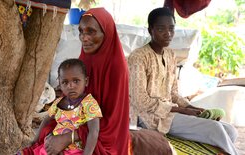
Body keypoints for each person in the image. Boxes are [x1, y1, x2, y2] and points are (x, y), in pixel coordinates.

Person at [24, 7, 173, 155]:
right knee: (45, 137)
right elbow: (73, 101)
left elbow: (111, 121)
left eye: (91, 31)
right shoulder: (84, 59)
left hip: (102, 132)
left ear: (106, 33)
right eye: (81, 31)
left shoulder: (116, 67)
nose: (84, 37)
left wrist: (68, 137)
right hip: (79, 122)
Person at [128, 7, 238, 155]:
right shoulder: (138, 57)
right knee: (216, 130)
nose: (168, 34)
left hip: (170, 112)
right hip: (149, 116)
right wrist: (181, 110)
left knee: (231, 131)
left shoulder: (170, 55)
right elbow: (140, 100)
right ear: (150, 30)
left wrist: (192, 108)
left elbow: (173, 93)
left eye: (171, 29)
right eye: (161, 29)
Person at [30, 58, 102, 155]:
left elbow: (94, 131)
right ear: (59, 84)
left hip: (75, 151)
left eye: (76, 81)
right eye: (65, 82)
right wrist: (35, 141)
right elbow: (46, 120)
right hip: (52, 148)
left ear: (86, 81)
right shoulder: (58, 102)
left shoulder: (89, 103)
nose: (70, 86)